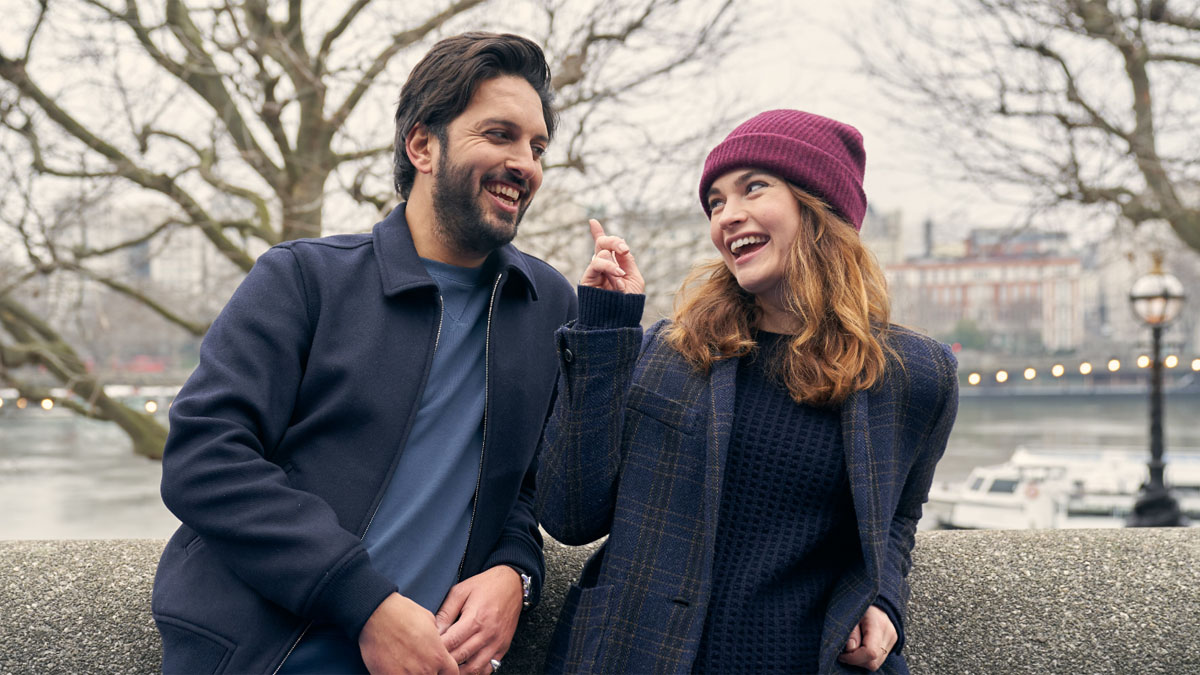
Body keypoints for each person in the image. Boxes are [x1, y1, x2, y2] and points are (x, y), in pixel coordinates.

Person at [152, 32, 576, 675]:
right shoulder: (301, 278)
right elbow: (203, 457)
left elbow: (525, 492)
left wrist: (515, 572)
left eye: (537, 146)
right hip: (269, 654)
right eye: (499, 135)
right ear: (422, 145)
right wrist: (366, 603)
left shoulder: (546, 303)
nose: (526, 163)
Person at [537, 109, 959, 674]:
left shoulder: (914, 376)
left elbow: (899, 515)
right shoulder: (669, 353)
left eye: (753, 188)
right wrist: (605, 329)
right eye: (715, 202)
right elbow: (570, 515)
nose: (727, 216)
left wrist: (883, 597)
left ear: (819, 205)